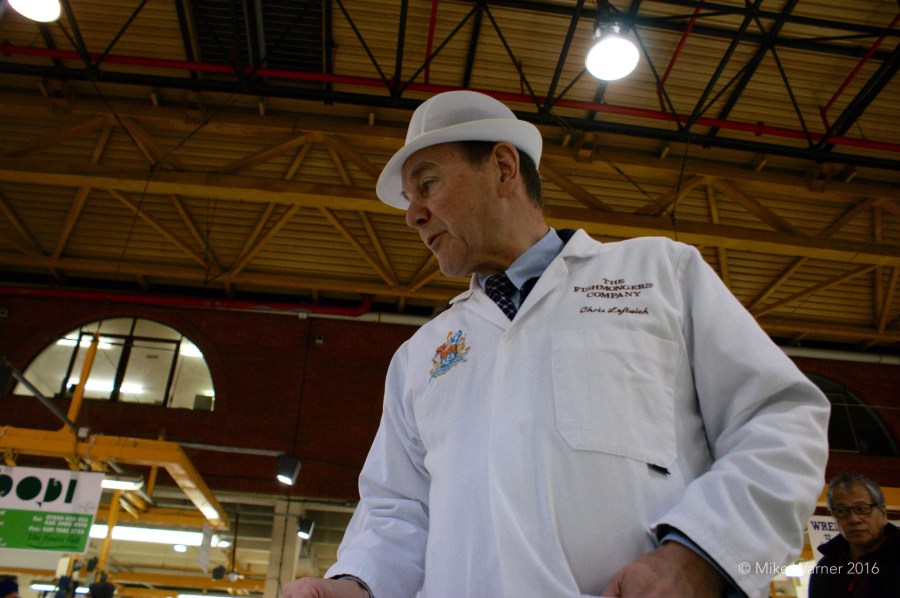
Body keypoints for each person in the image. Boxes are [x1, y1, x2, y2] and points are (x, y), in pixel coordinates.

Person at [282, 90, 830, 598]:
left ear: (503, 168)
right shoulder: (421, 356)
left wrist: (699, 557)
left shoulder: (660, 274)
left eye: (427, 185)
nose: (411, 215)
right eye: (409, 198)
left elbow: (779, 419)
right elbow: (398, 508)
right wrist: (358, 584)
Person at [808, 472, 899, 597]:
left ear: (883, 514)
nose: (853, 519)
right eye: (842, 511)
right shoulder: (826, 568)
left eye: (862, 509)